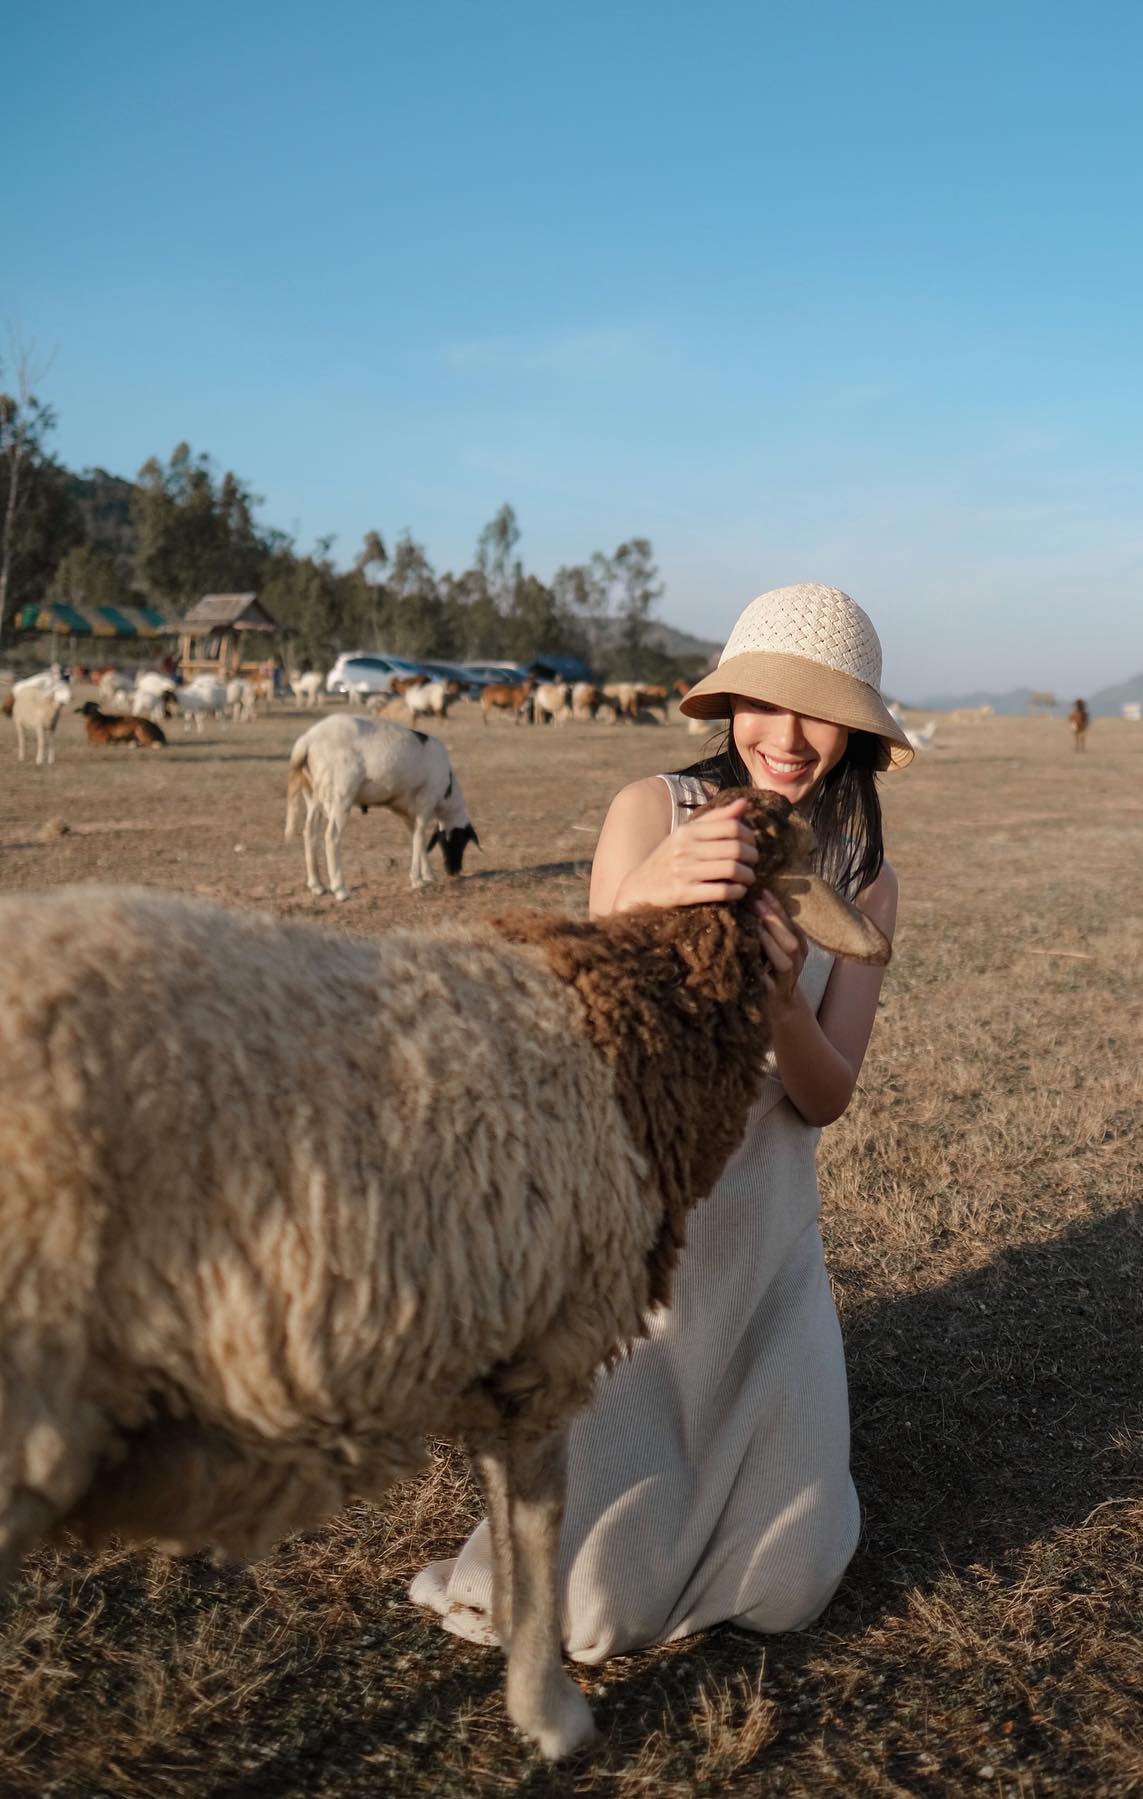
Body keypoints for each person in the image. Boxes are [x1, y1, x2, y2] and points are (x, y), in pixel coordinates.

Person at [409, 582, 912, 1664]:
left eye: (817, 710)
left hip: (769, 1248)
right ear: (727, 705)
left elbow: (825, 1098)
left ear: (858, 729)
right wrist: (648, 894)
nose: (784, 735)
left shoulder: (865, 879)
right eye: (761, 704)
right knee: (593, 1603)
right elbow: (581, 1028)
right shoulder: (654, 811)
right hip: (651, 1240)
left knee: (795, 1577)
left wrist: (780, 1001)